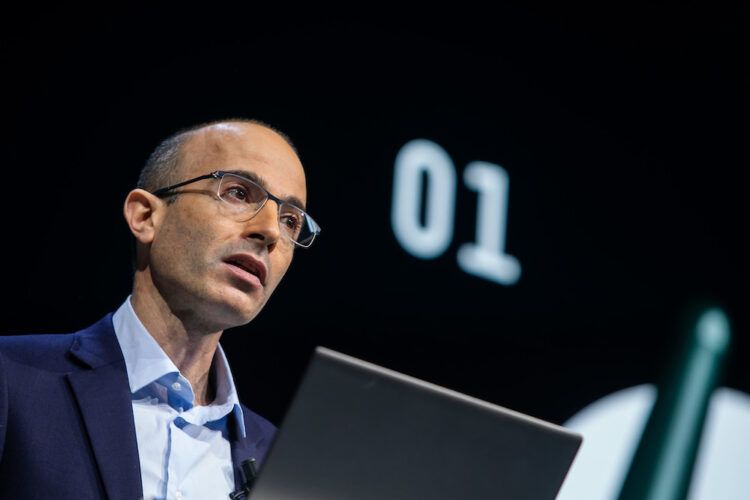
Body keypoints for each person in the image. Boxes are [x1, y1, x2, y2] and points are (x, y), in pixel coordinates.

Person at [0, 119, 321, 499]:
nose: (270, 232)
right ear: (145, 216)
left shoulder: (279, 465)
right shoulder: (13, 378)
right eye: (237, 192)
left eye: (290, 221)